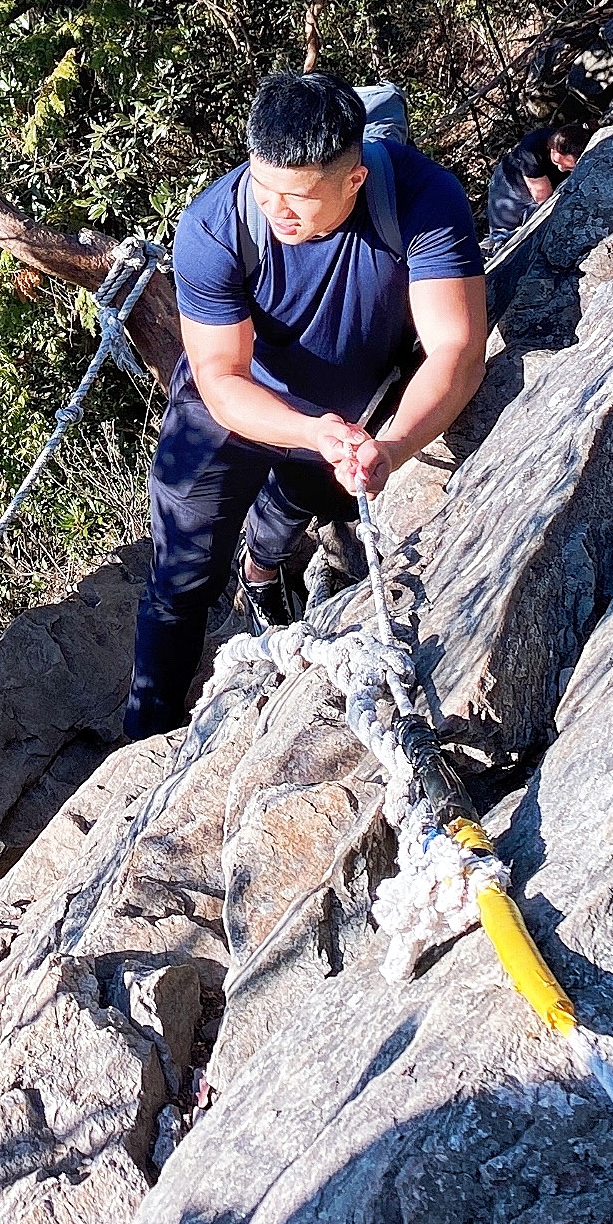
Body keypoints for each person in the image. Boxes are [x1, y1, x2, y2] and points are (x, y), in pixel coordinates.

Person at [127, 72, 487, 738]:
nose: (275, 211)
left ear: (354, 181)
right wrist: (307, 429)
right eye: (264, 191)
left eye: (297, 199)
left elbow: (456, 350)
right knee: (179, 581)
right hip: (230, 410)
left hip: (347, 414)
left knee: (294, 502)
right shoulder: (216, 225)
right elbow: (218, 373)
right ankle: (144, 739)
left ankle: (263, 571)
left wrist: (395, 445)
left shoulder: (420, 200)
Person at [485, 121, 586, 244]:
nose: (561, 169)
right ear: (552, 149)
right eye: (558, 163)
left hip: (545, 185)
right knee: (502, 235)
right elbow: (544, 200)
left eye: (569, 168)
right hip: (509, 186)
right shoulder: (532, 150)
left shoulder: (579, 142)